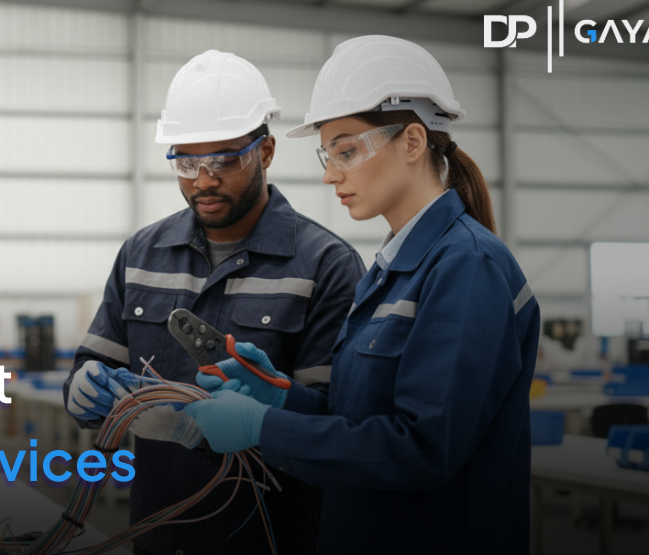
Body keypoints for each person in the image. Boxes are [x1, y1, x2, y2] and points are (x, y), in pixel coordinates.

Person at [185, 36, 541, 554]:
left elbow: (422, 449)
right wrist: (284, 397)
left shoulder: (467, 267)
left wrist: (265, 428)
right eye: (327, 154)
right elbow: (360, 418)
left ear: (414, 142)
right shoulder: (391, 270)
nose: (331, 174)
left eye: (347, 151)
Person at [64, 49, 365, 555]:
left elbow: (337, 426)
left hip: (268, 536)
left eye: (223, 160)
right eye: (186, 161)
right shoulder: (142, 254)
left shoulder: (324, 265)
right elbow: (96, 361)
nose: (202, 180)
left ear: (265, 152)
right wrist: (83, 387)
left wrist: (254, 420)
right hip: (158, 534)